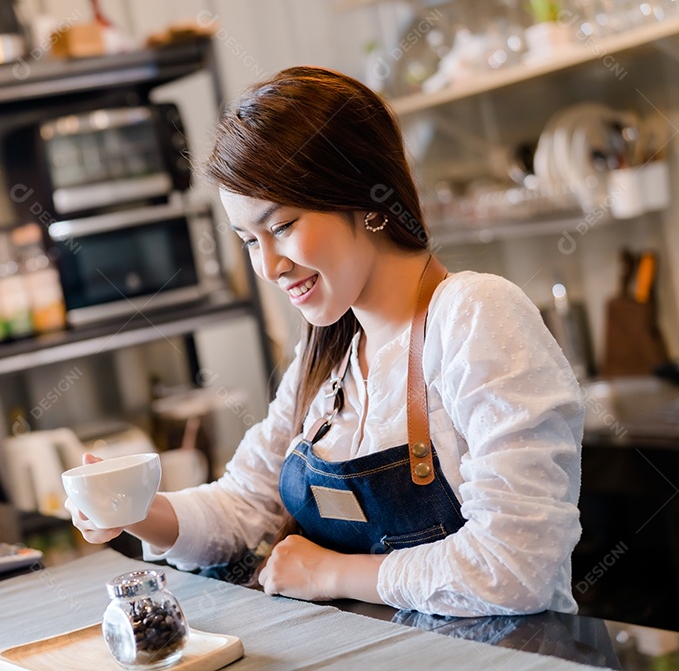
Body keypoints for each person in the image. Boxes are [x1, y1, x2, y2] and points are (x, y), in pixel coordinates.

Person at [65, 66, 584, 617]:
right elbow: (245, 506)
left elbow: (519, 564)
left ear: (363, 196)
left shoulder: (473, 313)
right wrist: (134, 511)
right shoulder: (330, 352)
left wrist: (331, 571)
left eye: (282, 226)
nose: (267, 266)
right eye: (248, 240)